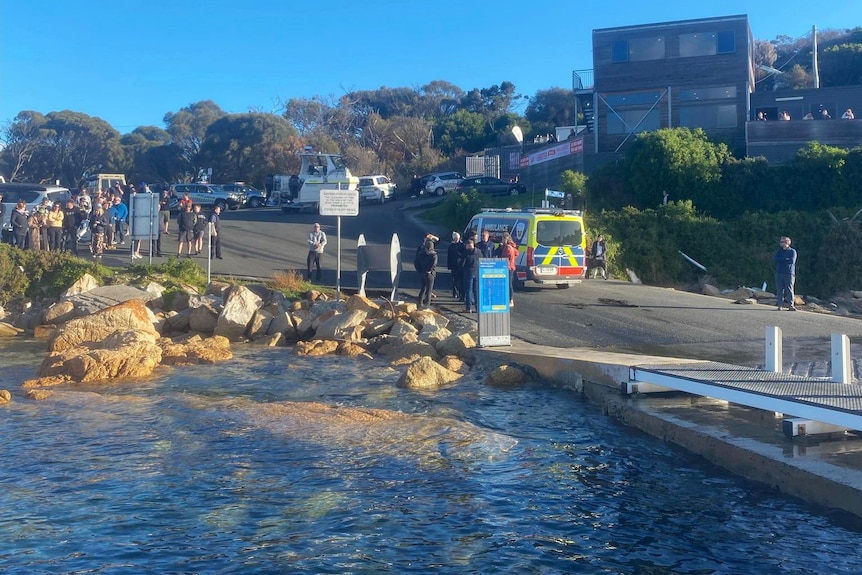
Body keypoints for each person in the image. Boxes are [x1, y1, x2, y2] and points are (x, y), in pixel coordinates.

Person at [774, 236, 798, 311]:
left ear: (787, 243)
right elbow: (776, 259)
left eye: (782, 242)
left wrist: (782, 259)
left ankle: (791, 305)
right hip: (779, 272)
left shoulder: (792, 251)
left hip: (789, 273)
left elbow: (791, 261)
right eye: (780, 242)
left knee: (789, 289)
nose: (781, 243)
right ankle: (780, 305)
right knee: (780, 290)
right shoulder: (779, 251)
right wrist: (785, 259)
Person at [415, 238, 437, 308]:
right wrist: (429, 270)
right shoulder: (433, 255)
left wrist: (420, 270)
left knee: (422, 289)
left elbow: (416, 262)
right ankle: (426, 305)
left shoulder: (421, 253)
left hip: (422, 273)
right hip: (430, 274)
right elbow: (433, 264)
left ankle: (419, 303)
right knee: (429, 290)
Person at [499, 232, 518, 307]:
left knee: (508, 284)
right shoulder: (511, 247)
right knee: (508, 283)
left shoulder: (508, 248)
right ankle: (509, 299)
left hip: (508, 267)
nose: (502, 240)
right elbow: (517, 253)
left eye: (503, 239)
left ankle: (510, 300)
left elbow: (506, 258)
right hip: (511, 267)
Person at [461, 238, 479, 313]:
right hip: (477, 272)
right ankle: (477, 308)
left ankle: (468, 308)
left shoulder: (466, 253)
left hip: (468, 273)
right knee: (476, 290)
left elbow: (462, 264)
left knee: (468, 290)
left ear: (468, 246)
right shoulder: (479, 252)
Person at [447, 231, 464, 300]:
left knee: (461, 280)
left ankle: (461, 293)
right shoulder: (451, 246)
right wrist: (449, 265)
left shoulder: (462, 245)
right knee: (454, 280)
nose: (456, 239)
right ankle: (455, 293)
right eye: (455, 238)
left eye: (457, 238)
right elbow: (449, 256)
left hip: (461, 265)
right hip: (454, 265)